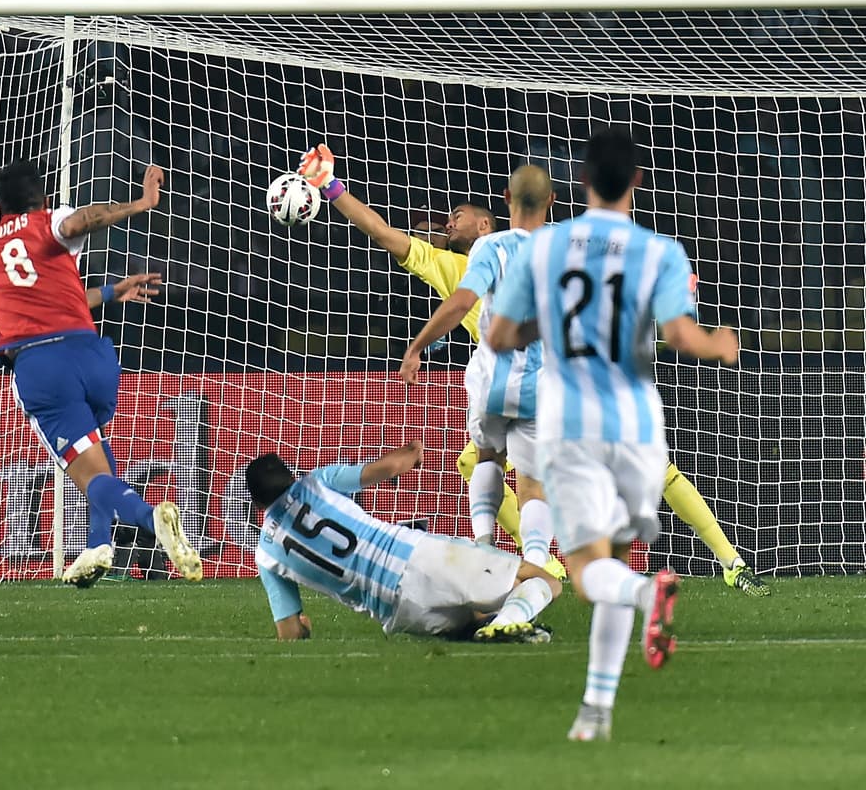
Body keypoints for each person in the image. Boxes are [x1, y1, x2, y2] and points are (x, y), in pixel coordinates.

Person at [300, 142, 769, 597]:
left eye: (457, 216)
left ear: (490, 217)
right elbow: (383, 233)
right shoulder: (457, 265)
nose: (447, 223)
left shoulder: (524, 250)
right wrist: (332, 187)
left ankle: (731, 563)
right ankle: (539, 557)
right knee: (489, 463)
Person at [486, 126, 740, 741]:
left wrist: (534, 331)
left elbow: (499, 335)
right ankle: (595, 712)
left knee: (586, 574)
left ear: (579, 181)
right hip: (637, 427)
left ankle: (646, 597)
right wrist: (720, 344)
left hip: (572, 425)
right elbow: (682, 336)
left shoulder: (545, 250)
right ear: (637, 181)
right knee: (617, 560)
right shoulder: (661, 252)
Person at [0, 158, 201, 586]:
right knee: (97, 453)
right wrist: (112, 292)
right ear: (41, 198)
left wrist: (141, 203)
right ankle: (98, 544)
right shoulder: (47, 223)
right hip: (94, 358)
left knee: (90, 475)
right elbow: (65, 289)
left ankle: (149, 517)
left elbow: (82, 219)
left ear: (0, 205)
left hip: (44, 368)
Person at [399, 165, 556, 576]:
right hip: (540, 385)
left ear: (506, 199)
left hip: (491, 382)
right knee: (532, 482)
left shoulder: (491, 246)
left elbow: (461, 302)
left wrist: (417, 347)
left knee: (487, 456)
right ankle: (537, 561)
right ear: (551, 202)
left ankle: (484, 547)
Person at [248, 441, 561, 642]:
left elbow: (288, 632)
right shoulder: (316, 482)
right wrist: (413, 450)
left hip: (397, 613)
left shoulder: (266, 553)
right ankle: (506, 624)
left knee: (475, 618)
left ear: (258, 505)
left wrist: (302, 628)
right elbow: (391, 467)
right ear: (292, 476)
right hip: (416, 556)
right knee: (545, 580)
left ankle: (496, 626)